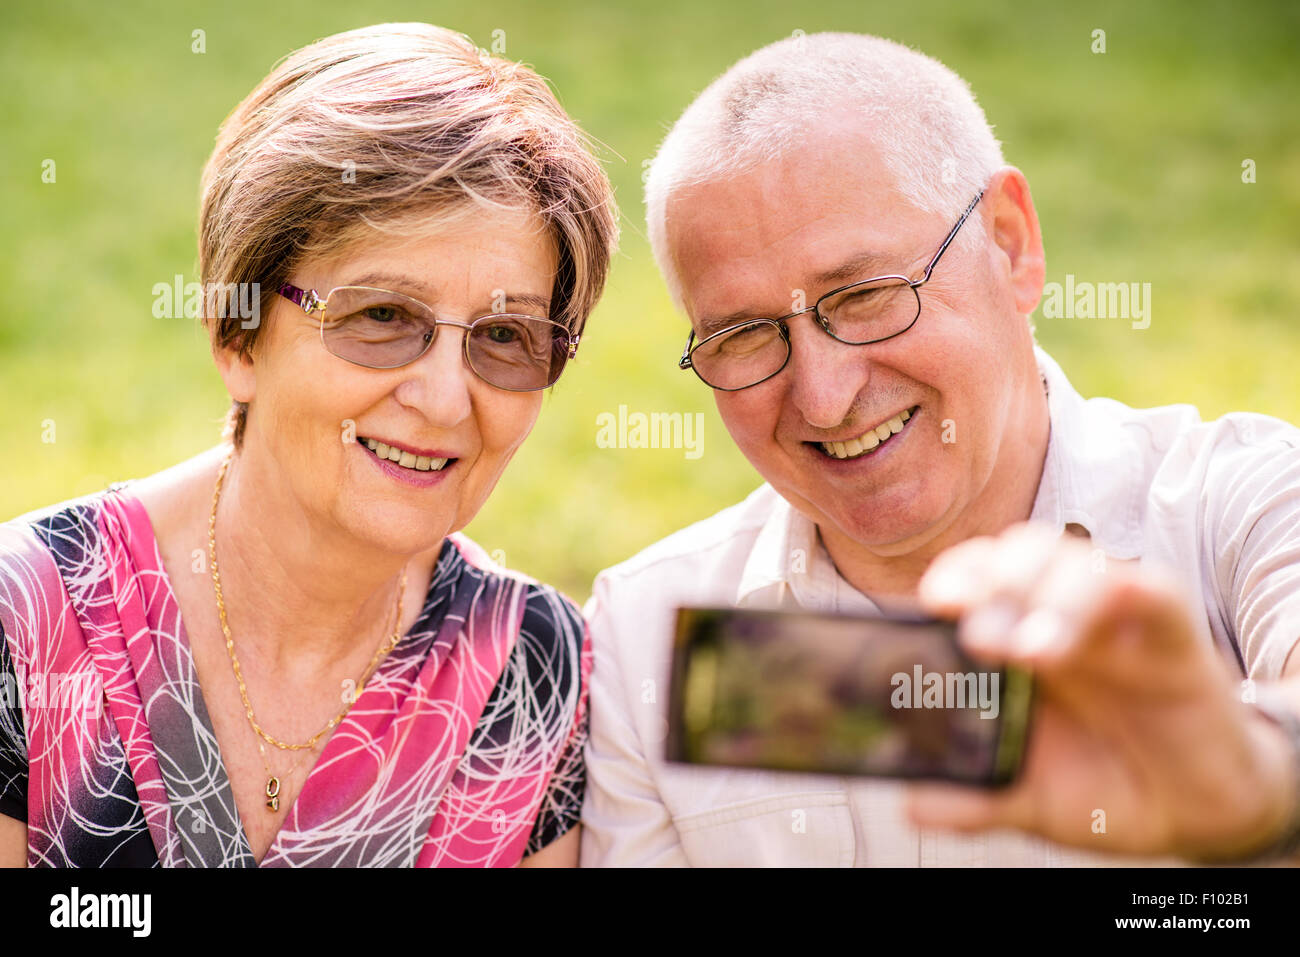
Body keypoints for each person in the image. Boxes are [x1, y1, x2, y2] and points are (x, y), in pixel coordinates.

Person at [580, 31, 1300, 866]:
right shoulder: (645, 642)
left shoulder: (1243, 505)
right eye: (743, 336)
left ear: (1010, 242)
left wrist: (1251, 786)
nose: (823, 396)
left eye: (866, 295)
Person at [0, 22, 617, 868]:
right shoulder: (26, 621)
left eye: (506, 335)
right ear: (237, 334)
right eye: (382, 317)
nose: (443, 400)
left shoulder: (538, 673)